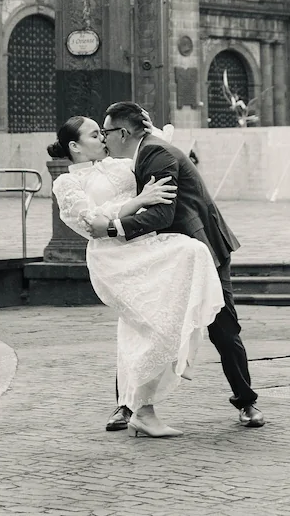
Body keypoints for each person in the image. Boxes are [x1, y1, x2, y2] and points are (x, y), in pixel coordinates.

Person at [93, 101, 265, 431]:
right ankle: (126, 406)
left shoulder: (155, 153)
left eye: (106, 132)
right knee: (140, 322)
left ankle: (247, 401)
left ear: (123, 133)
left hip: (202, 249)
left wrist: (112, 228)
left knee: (223, 327)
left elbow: (163, 214)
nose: (104, 138)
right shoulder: (144, 151)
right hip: (169, 255)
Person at [50, 115, 225, 438]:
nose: (103, 138)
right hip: (113, 259)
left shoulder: (122, 165)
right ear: (75, 146)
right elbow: (92, 222)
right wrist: (140, 200)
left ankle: (145, 405)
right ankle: (142, 409)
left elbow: (148, 146)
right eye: (94, 135)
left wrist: (147, 125)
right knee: (150, 325)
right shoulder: (67, 184)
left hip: (146, 246)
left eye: (104, 132)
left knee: (192, 255)